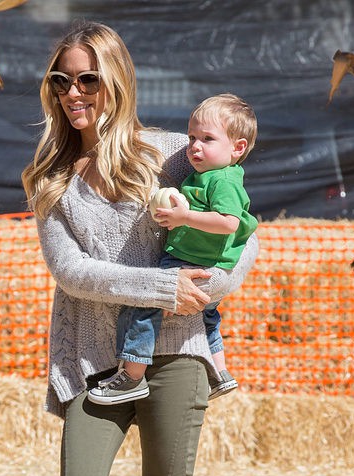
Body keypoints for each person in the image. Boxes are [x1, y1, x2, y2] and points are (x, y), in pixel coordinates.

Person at [22, 21, 259, 476]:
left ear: (116, 79)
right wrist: (159, 289)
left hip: (179, 352)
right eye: (61, 81)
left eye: (87, 79)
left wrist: (208, 289)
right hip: (97, 361)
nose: (73, 94)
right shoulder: (51, 177)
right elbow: (73, 272)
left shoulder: (170, 151)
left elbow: (240, 228)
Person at [88, 93, 258, 406]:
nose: (194, 146)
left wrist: (184, 217)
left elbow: (229, 223)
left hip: (188, 263)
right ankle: (220, 373)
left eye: (207, 139)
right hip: (204, 263)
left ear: (238, 147)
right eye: (192, 136)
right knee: (209, 319)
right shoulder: (205, 175)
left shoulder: (222, 180)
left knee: (143, 307)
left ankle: (132, 376)